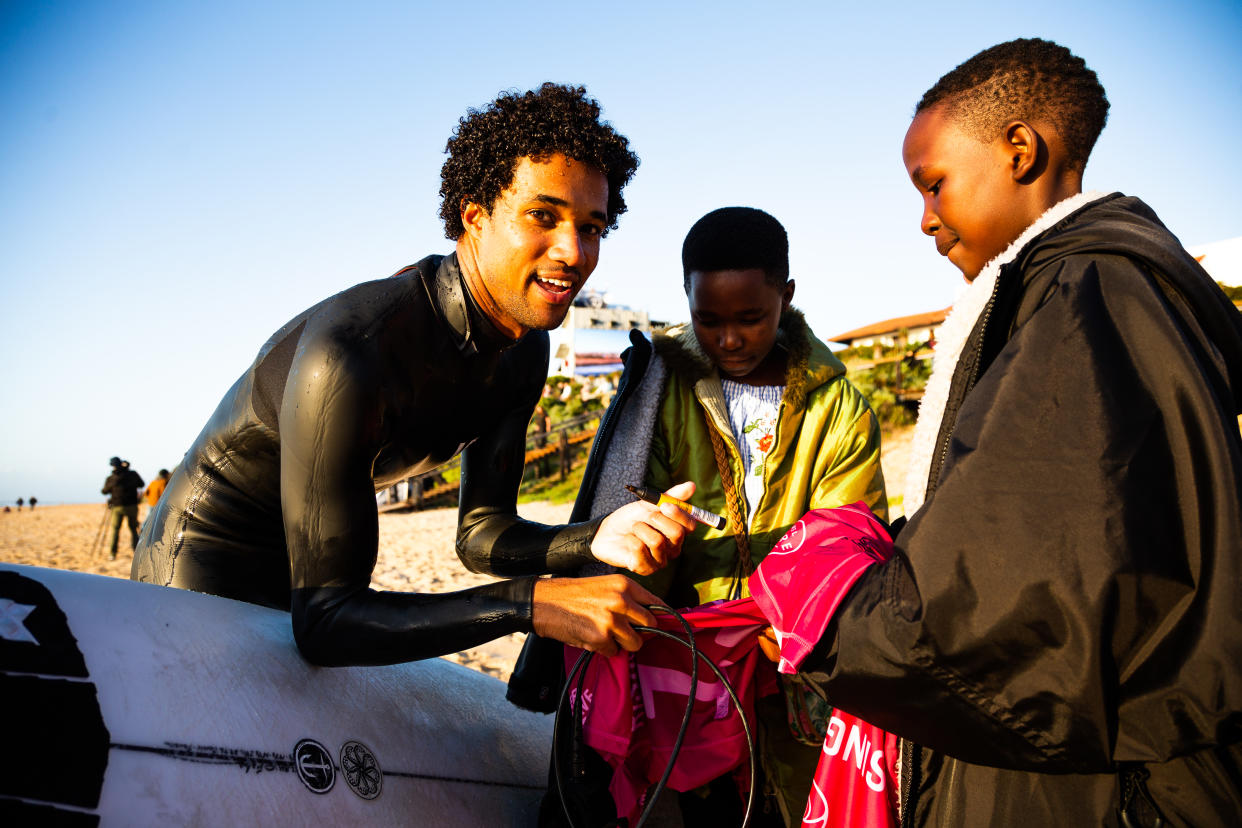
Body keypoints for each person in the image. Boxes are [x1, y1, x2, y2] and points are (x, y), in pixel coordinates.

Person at [789, 39, 1242, 825]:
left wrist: (826, 610)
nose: (925, 220)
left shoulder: (1088, 296)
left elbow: (1006, 599)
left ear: (1021, 151)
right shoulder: (1089, 291)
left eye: (934, 185)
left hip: (1099, 787)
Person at [133, 83, 697, 668]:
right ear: (473, 216)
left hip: (316, 584)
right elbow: (327, 623)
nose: (573, 251)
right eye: (542, 216)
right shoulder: (354, 353)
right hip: (198, 563)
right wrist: (531, 604)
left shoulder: (525, 348)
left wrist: (596, 534)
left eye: (592, 227)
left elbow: (481, 534)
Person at [518, 207, 888, 826]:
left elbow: (850, 536)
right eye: (708, 320)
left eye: (751, 318)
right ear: (685, 298)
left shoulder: (840, 407)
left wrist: (794, 622)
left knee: (786, 804)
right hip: (685, 670)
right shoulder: (660, 388)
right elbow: (623, 516)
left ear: (787, 296)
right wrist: (652, 544)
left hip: (790, 669)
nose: (730, 339)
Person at [103, 457, 145, 560]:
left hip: (117, 506)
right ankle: (136, 551)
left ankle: (112, 554)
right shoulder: (132, 474)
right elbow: (141, 484)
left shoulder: (112, 477)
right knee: (133, 529)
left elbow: (104, 491)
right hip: (132, 506)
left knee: (115, 530)